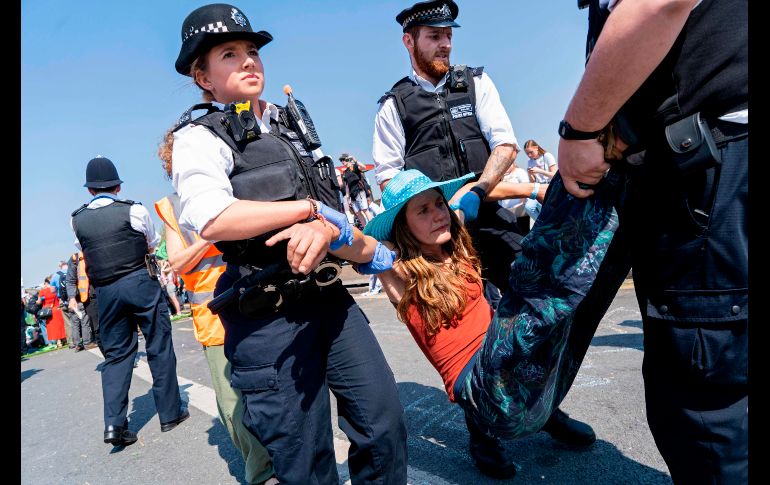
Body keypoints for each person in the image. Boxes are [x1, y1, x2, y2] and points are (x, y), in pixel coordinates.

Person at [170, 4, 407, 482]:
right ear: (203, 78)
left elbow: (332, 205)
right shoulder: (197, 138)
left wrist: (338, 233)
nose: (249, 61)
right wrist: (305, 212)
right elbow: (213, 217)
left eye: (252, 50)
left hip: (327, 297)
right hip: (265, 316)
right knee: (306, 462)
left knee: (384, 427)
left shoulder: (291, 124)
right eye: (230, 54)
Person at [371, 0, 593, 468]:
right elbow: (388, 177)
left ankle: (545, 409)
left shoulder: (476, 81)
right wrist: (426, 208)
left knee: (534, 315)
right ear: (409, 41)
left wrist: (479, 190)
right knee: (467, 332)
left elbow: (505, 143)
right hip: (437, 235)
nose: (445, 42)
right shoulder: (394, 105)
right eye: (433, 35)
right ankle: (483, 433)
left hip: (491, 220)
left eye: (448, 34)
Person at [558, 1, 747, 483]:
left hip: (706, 171)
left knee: (705, 412)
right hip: (712, 161)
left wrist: (579, 130)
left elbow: (658, 4)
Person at [365, 169, 616, 478]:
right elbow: (360, 247)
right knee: (531, 286)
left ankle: (545, 410)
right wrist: (376, 248)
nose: (437, 215)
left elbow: (475, 187)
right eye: (423, 210)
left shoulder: (454, 240)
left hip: (502, 354)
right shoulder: (401, 271)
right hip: (478, 383)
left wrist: (534, 188)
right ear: (403, 227)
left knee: (575, 310)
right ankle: (484, 440)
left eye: (438, 204)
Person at [154, 186, 276, 485]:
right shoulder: (172, 206)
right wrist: (208, 235)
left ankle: (285, 462)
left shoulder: (235, 184)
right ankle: (263, 472)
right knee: (232, 404)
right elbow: (178, 262)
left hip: (260, 301)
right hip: (215, 315)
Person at [71, 156, 187, 447]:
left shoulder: (77, 219)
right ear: (117, 186)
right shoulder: (133, 209)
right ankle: (170, 414)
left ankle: (114, 424)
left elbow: (84, 249)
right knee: (158, 344)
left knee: (117, 356)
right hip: (139, 282)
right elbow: (149, 242)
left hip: (106, 292)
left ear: (89, 190)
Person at [65, 251, 101, 352]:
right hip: (88, 299)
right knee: (92, 327)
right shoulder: (75, 258)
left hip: (101, 294)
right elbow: (70, 281)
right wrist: (72, 298)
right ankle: (87, 343)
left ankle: (79, 344)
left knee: (76, 324)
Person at [522, 139, 557, 222]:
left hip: (550, 186)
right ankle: (541, 224)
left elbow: (555, 175)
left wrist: (539, 170)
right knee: (529, 207)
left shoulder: (547, 156)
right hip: (537, 186)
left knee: (546, 208)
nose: (529, 155)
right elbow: (532, 181)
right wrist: (530, 174)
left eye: (531, 152)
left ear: (536, 148)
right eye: (527, 153)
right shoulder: (530, 161)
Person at [340, 153, 372, 228]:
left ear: (347, 159)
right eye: (341, 160)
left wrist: (354, 160)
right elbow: (347, 186)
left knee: (365, 210)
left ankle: (372, 226)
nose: (342, 162)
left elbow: (363, 167)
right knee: (358, 212)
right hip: (352, 195)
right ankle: (366, 228)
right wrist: (348, 198)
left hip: (359, 191)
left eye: (343, 160)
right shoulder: (345, 172)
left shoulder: (354, 166)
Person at [37, 276, 67, 348]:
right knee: (61, 325)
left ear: (46, 283)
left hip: (48, 311)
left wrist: (37, 302)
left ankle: (58, 342)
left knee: (53, 327)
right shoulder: (56, 289)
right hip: (57, 309)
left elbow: (39, 302)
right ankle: (65, 339)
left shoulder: (42, 291)